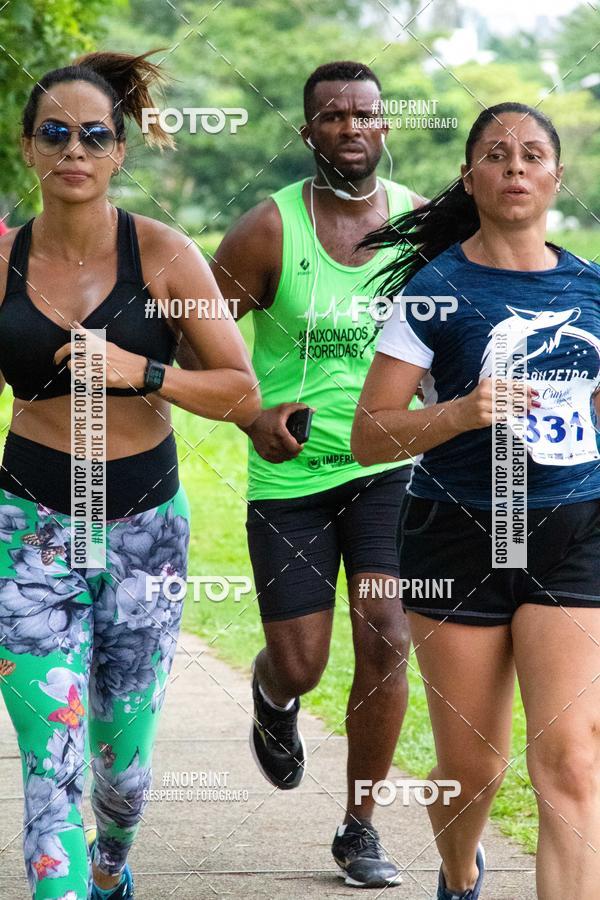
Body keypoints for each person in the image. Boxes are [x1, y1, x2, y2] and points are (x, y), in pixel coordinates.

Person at [0, 50, 259, 900]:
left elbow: (239, 391)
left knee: (123, 765)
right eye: (54, 134)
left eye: (94, 135)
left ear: (119, 151)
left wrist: (140, 370)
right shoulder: (3, 260)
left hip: (145, 531)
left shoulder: (166, 255)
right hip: (30, 531)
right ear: (29, 147)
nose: (73, 149)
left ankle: (112, 862)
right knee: (51, 761)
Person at [179, 60, 425, 888]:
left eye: (365, 114)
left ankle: (360, 829)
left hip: (388, 468)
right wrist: (254, 412)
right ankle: (272, 692)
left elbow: (447, 333)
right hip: (291, 482)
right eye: (332, 116)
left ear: (385, 124)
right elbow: (196, 346)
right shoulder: (266, 231)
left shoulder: (421, 224)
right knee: (304, 662)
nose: (351, 128)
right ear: (307, 130)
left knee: (387, 631)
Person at [352, 101, 600, 899]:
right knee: (474, 768)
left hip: (574, 530)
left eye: (532, 154)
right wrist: (461, 412)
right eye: (496, 154)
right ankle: (460, 874)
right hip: (458, 534)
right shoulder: (435, 290)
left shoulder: (592, 287)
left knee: (573, 761)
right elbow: (369, 436)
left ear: (556, 176)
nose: (515, 166)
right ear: (470, 178)